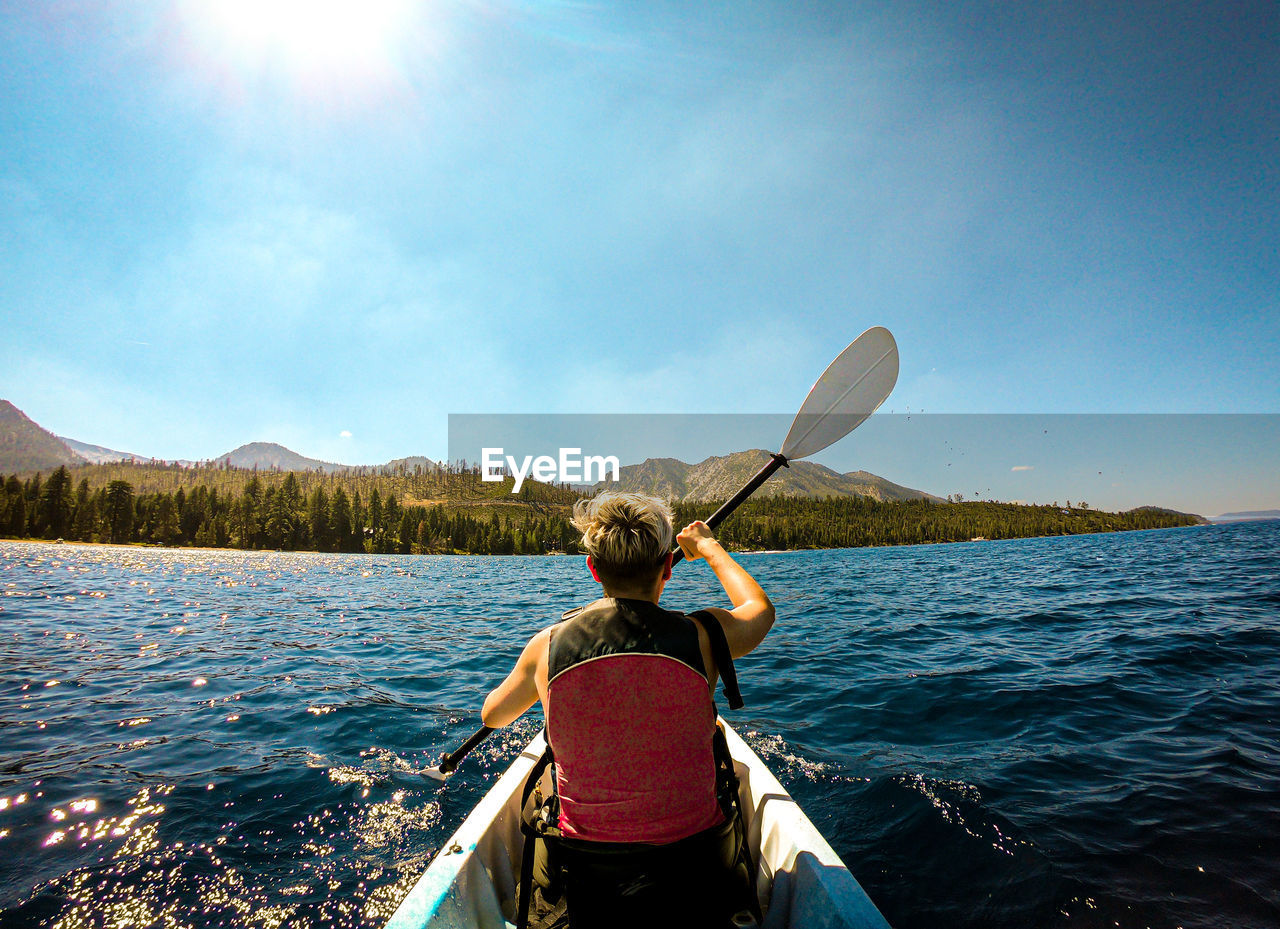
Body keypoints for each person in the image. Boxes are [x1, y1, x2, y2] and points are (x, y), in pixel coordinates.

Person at [481, 491, 776, 928]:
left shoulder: (546, 646)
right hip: (696, 868)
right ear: (668, 567)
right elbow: (760, 611)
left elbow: (493, 716)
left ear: (593, 568)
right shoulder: (704, 636)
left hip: (589, 878)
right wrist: (709, 546)